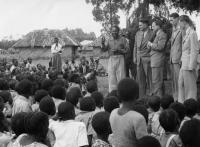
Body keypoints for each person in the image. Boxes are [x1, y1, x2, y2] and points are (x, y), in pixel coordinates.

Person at [109, 78, 147, 147]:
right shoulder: (138, 118)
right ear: (137, 95)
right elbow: (145, 143)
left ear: (118, 94)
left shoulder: (113, 113)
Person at [178, 15, 199, 103]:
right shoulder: (186, 33)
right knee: (181, 84)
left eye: (180, 22)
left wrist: (191, 66)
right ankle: (181, 103)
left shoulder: (192, 33)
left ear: (184, 22)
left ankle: (191, 105)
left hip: (188, 65)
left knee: (190, 87)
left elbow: (195, 50)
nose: (179, 24)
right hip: (184, 64)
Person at [101, 25, 129, 92]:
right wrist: (102, 43)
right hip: (111, 59)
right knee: (111, 76)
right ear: (111, 32)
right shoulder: (109, 39)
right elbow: (104, 49)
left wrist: (120, 51)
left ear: (118, 31)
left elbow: (127, 50)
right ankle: (113, 93)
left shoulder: (123, 39)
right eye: (113, 31)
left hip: (120, 58)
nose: (114, 33)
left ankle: (122, 92)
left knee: (121, 76)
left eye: (116, 31)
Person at [147, 19, 168, 98]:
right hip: (155, 60)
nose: (152, 27)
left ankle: (158, 100)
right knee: (159, 81)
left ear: (158, 26)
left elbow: (161, 47)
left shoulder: (162, 34)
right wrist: (149, 45)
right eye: (151, 26)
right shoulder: (156, 34)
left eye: (153, 26)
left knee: (157, 81)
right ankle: (161, 99)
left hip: (158, 60)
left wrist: (151, 45)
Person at [133, 18, 153, 97]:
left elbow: (153, 46)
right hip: (139, 60)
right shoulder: (138, 33)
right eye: (139, 25)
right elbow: (135, 46)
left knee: (150, 79)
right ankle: (142, 97)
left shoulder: (152, 33)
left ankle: (152, 96)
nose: (139, 27)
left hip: (148, 59)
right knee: (140, 80)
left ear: (146, 24)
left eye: (140, 25)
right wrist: (134, 57)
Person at [169, 13, 182, 101]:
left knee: (179, 79)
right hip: (172, 58)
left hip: (178, 58)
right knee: (173, 80)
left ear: (177, 19)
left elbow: (183, 44)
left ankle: (180, 97)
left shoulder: (181, 29)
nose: (170, 22)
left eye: (172, 20)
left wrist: (181, 57)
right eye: (170, 20)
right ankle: (175, 96)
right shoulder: (173, 30)